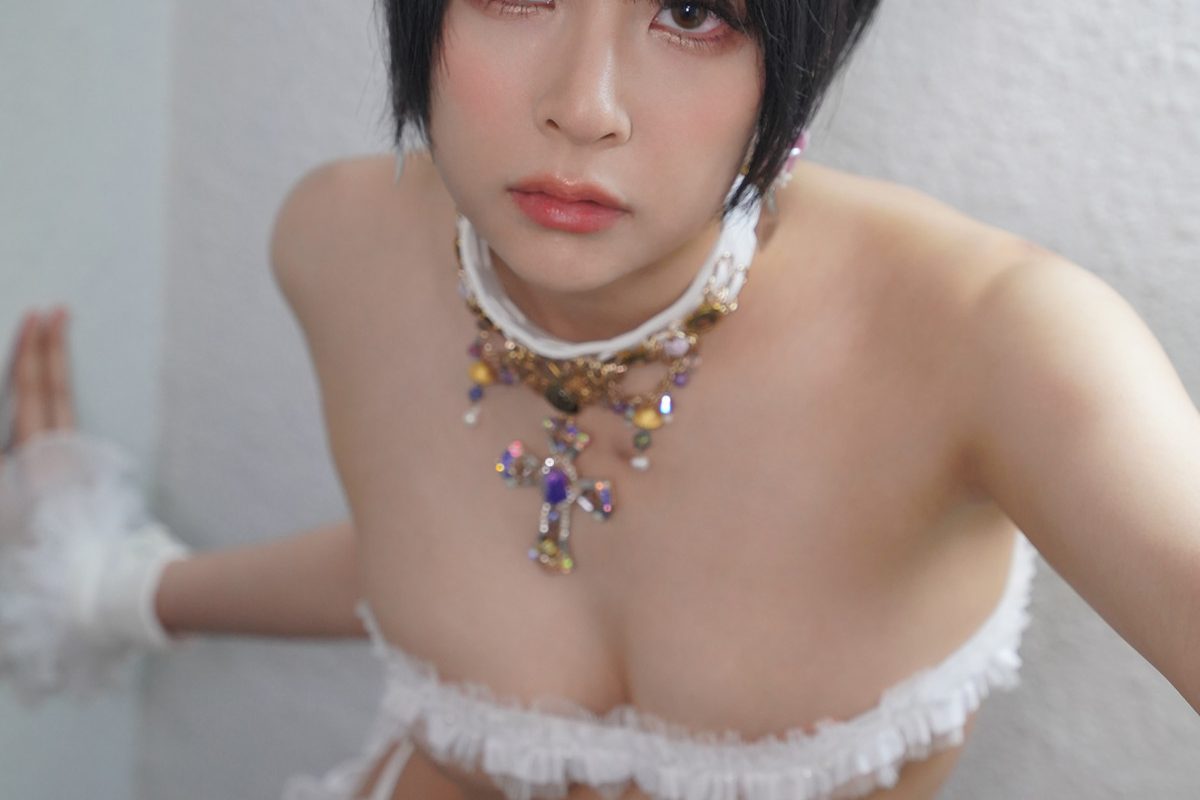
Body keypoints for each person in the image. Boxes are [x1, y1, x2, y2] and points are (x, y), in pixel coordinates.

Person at [2, 1, 1198, 799]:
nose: (584, 104)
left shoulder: (994, 339)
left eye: (693, 9)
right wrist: (105, 583)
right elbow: (432, 555)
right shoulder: (338, 246)